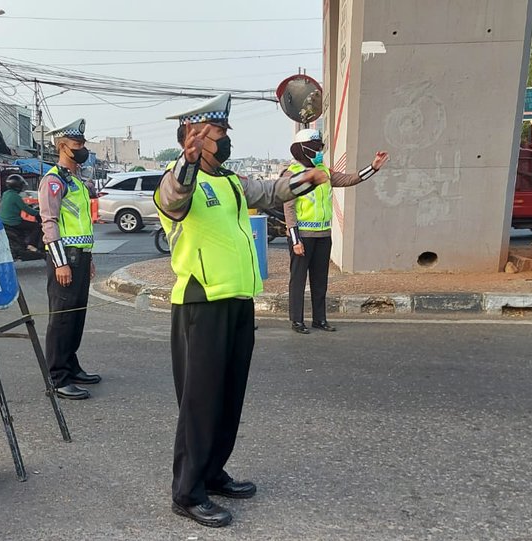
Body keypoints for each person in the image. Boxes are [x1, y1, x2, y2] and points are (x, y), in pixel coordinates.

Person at [156, 93, 367, 528]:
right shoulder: (179, 181)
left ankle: (213, 473)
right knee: (200, 401)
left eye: (224, 134)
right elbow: (173, 200)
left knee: (229, 396)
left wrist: (315, 175)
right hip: (201, 303)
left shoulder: (232, 183)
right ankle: (187, 491)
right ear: (193, 139)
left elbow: (273, 190)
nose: (225, 141)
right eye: (218, 135)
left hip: (236, 301)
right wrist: (187, 161)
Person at [283, 128, 389, 334]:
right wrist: (295, 240)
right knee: (298, 280)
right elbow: (289, 208)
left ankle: (319, 319)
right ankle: (297, 321)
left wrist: (373, 168)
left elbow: (349, 179)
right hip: (302, 236)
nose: (319, 152)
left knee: (320, 280)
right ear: (302, 150)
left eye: (320, 148)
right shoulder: (292, 174)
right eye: (315, 149)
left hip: (323, 235)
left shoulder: (324, 171)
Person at [37, 118, 101, 400]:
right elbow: (49, 223)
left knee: (76, 317)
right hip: (65, 259)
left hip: (81, 257)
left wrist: (89, 257)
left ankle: (71, 366)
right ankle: (58, 377)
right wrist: (61, 262)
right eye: (78, 144)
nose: (82, 148)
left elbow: (82, 224)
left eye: (83, 143)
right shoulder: (52, 181)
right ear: (63, 146)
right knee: (61, 319)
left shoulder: (74, 181)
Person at [0, 175, 44, 260]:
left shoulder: (6, 194)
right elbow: (28, 210)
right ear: (17, 186)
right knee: (36, 226)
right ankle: (31, 245)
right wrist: (41, 213)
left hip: (5, 222)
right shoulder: (15, 196)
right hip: (14, 222)